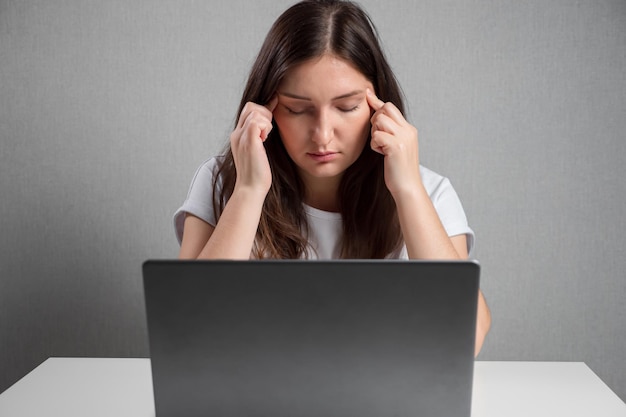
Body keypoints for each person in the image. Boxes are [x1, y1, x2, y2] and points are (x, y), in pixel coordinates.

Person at [174, 0, 491, 355]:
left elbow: (467, 337)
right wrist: (248, 192)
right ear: (266, 109)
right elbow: (186, 330)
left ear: (380, 106)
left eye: (347, 107)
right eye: (297, 109)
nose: (322, 135)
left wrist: (408, 191)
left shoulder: (429, 192)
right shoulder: (223, 182)